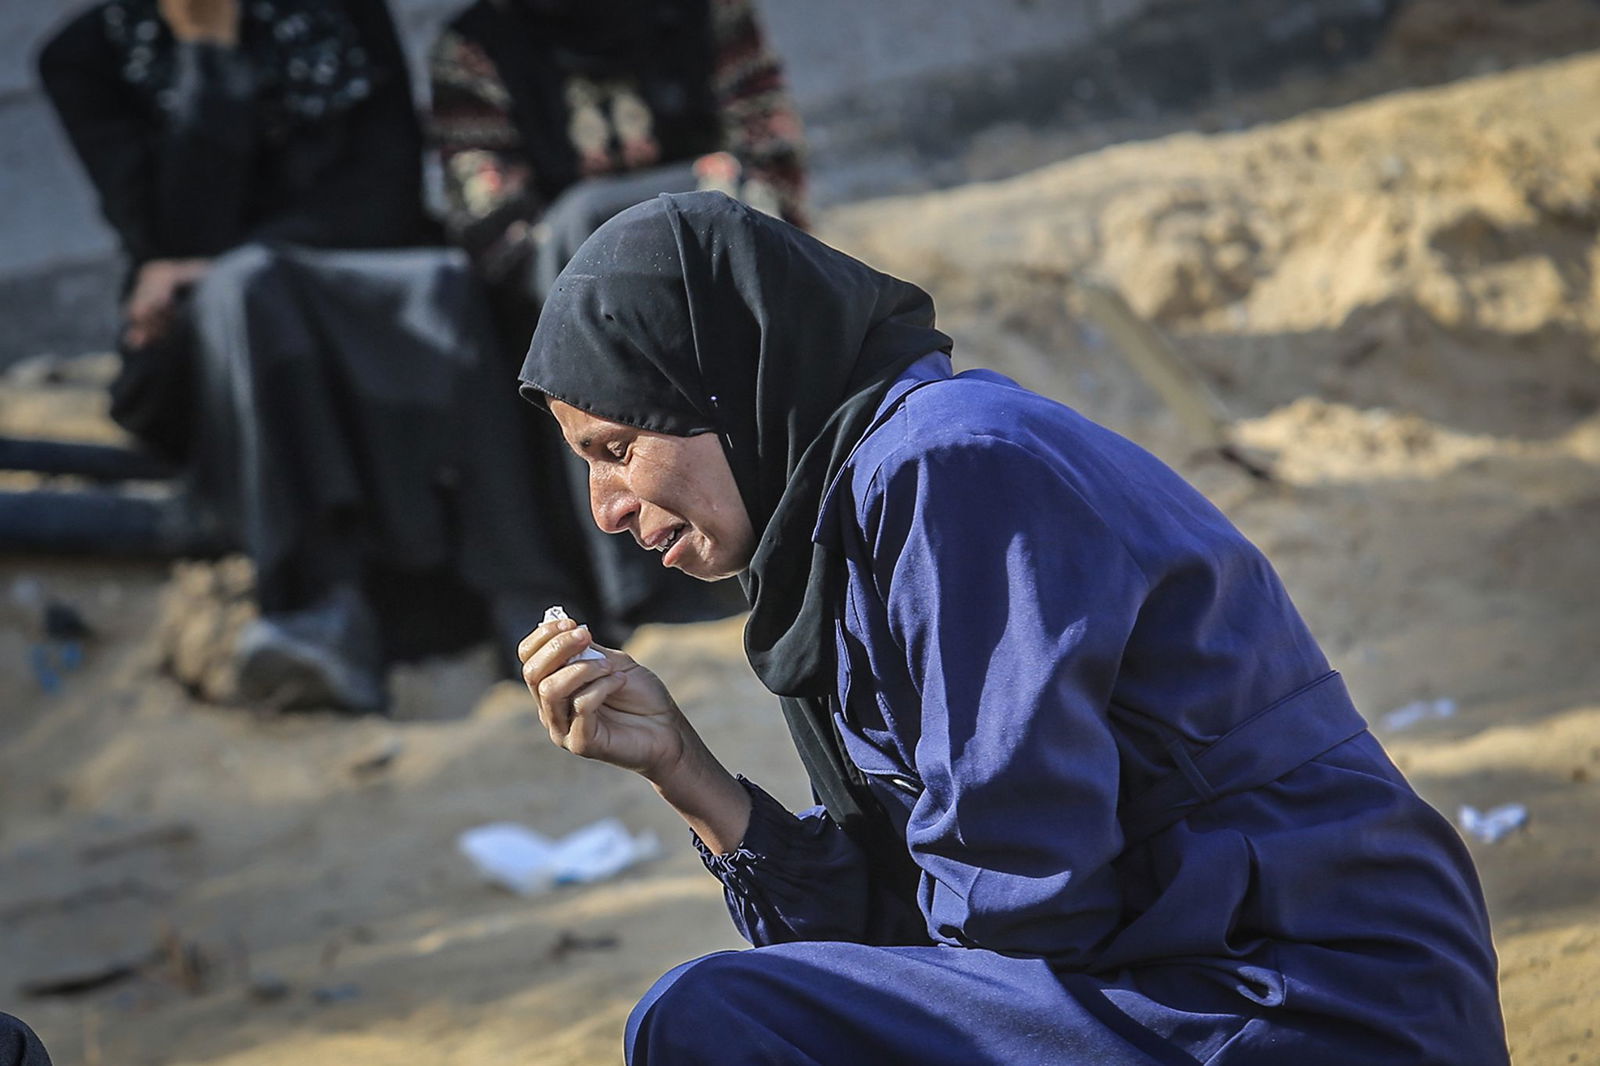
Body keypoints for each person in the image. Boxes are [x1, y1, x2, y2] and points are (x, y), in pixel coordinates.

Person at [514, 192, 1510, 1064]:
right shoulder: (846, 524)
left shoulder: (947, 469)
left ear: (726, 385)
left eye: (618, 448)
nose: (605, 508)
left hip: (1302, 997)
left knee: (709, 1020)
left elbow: (1020, 896)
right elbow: (919, 937)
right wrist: (682, 768)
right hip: (1183, 989)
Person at [38, 0, 596, 710]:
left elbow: (387, 191)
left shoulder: (340, 13)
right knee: (247, 294)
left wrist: (236, 258)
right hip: (225, 320)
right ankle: (319, 611)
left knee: (439, 284)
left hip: (361, 263)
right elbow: (169, 233)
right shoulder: (85, 57)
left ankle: (523, 596)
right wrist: (211, 61)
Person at [428, 0, 806, 636]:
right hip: (560, 301)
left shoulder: (708, 14)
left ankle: (779, 541)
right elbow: (492, 226)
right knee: (578, 247)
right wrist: (615, 264)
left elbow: (773, 171)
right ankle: (647, 586)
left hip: (714, 273)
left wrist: (685, 238)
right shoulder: (479, 45)